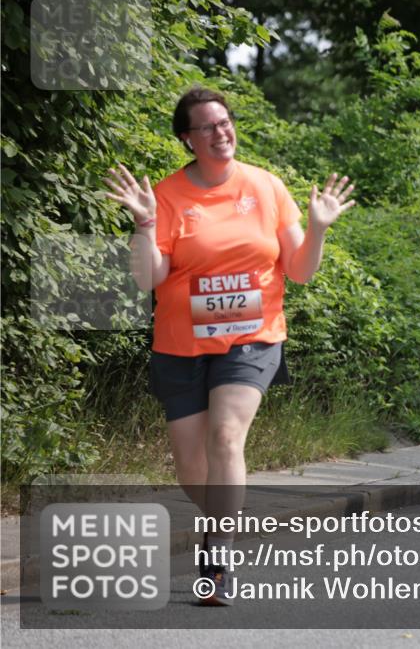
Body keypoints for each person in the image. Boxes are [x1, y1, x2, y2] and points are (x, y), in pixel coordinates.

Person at [104, 87, 356, 604]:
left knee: (225, 438)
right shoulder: (168, 195)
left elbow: (300, 271)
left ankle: (217, 559)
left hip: (252, 338)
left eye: (225, 122)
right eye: (208, 127)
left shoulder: (265, 186)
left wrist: (317, 229)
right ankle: (224, 514)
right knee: (191, 472)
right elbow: (148, 279)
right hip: (180, 343)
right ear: (187, 139)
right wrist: (145, 224)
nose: (221, 133)